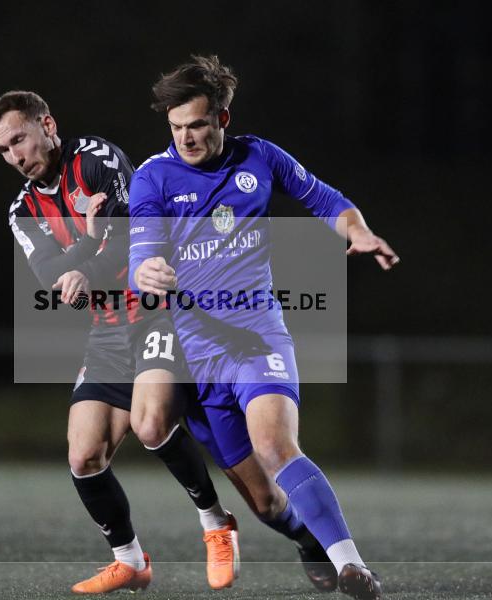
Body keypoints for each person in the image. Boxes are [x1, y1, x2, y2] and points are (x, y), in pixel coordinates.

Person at [129, 55, 399, 599]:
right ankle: (307, 540)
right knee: (266, 502)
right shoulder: (152, 176)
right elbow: (143, 247)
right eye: (176, 127)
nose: (186, 138)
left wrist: (359, 231)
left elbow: (325, 198)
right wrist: (147, 269)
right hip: (195, 356)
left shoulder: (259, 156)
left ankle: (353, 565)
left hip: (256, 335)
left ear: (222, 118)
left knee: (277, 446)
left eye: (197, 125)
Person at [0, 90, 239, 593]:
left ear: (47, 125)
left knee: (151, 424)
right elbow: (56, 280)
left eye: (19, 139)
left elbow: (129, 237)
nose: (15, 157)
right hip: (107, 328)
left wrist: (90, 255)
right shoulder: (22, 210)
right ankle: (130, 561)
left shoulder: (96, 159)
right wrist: (88, 240)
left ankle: (216, 523)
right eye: (3, 150)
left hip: (159, 309)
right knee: (83, 456)